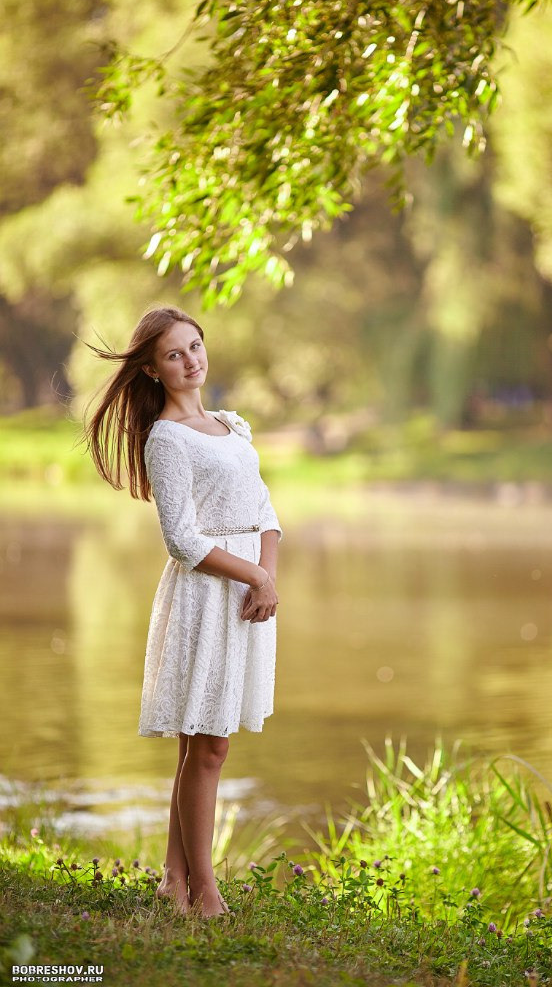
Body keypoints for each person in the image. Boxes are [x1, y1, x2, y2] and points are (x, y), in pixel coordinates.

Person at [81, 305, 282, 918]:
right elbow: (182, 540)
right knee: (209, 749)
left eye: (195, 346)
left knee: (198, 748)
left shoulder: (231, 426)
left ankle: (174, 881)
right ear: (152, 368)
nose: (191, 360)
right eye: (175, 354)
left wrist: (266, 575)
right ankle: (206, 892)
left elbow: (266, 510)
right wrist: (252, 573)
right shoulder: (166, 439)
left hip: (248, 593)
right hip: (205, 594)